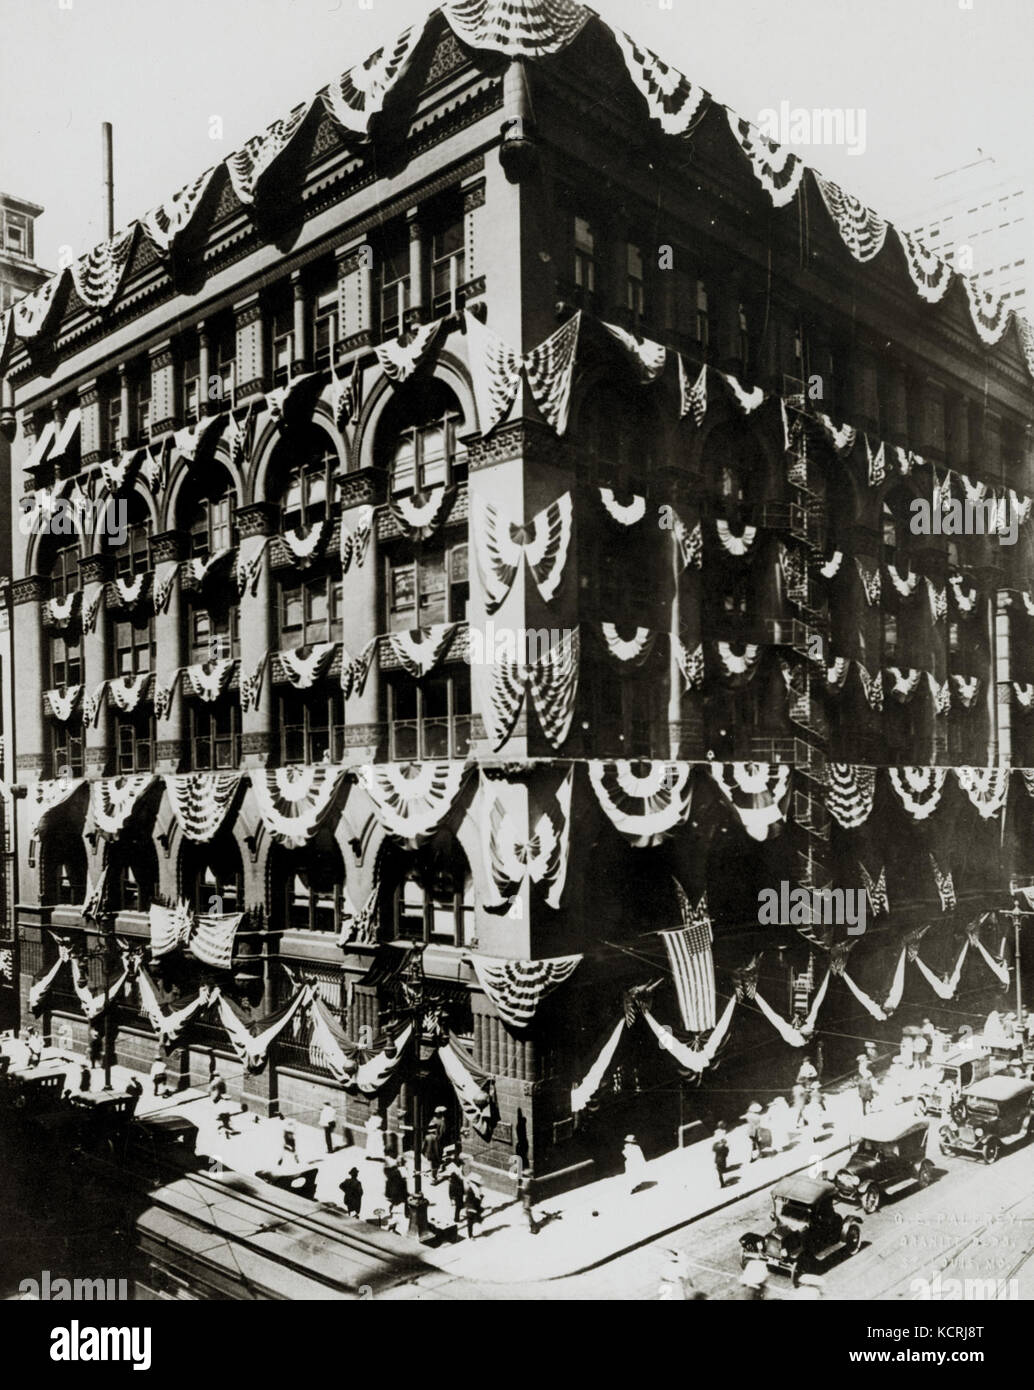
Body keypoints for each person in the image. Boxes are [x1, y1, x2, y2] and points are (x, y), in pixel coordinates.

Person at [423, 1106, 448, 1183]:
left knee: (432, 1160)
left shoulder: (433, 1120)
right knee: (436, 1160)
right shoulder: (442, 1121)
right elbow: (442, 1133)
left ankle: (434, 1173)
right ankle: (434, 1177)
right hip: (436, 1143)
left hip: (431, 1142)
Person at [383, 1157, 408, 1225]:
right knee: (400, 1201)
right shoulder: (398, 1170)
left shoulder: (397, 1170)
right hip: (397, 1189)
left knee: (396, 1202)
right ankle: (404, 1214)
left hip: (396, 1189)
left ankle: (399, 1213)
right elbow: (403, 1179)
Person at [445, 1151, 466, 1225]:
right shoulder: (456, 1170)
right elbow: (461, 1177)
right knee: (458, 1204)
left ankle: (457, 1204)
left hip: (456, 1187)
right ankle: (456, 1218)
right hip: (457, 1188)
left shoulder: (452, 1166)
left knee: (458, 1202)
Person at [462, 1175, 484, 1239]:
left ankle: (470, 1235)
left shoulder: (473, 1189)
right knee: (470, 1223)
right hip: (471, 1209)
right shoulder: (472, 1191)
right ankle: (470, 1235)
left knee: (471, 1222)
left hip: (472, 1208)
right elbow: (469, 1201)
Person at [518, 1166, 537, 1234]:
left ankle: (533, 1226)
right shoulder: (527, 1181)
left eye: (525, 1175)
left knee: (526, 1211)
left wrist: (521, 1187)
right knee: (526, 1211)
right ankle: (532, 1224)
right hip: (526, 1198)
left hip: (527, 1198)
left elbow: (525, 1190)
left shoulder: (527, 1181)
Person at [712, 1122, 730, 1188]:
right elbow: (724, 1141)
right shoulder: (723, 1132)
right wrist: (725, 1146)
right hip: (720, 1152)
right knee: (720, 1166)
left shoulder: (716, 1132)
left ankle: (722, 1182)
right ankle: (722, 1184)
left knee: (719, 1169)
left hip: (716, 1152)